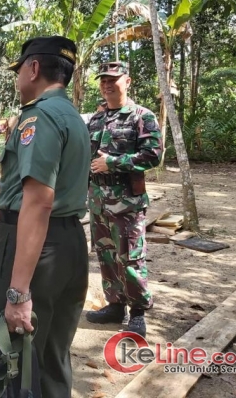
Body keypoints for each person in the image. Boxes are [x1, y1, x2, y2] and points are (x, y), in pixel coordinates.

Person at [0, 36, 90, 398]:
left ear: (33, 68)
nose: (17, 78)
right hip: (67, 246)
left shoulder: (40, 117)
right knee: (51, 356)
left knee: (10, 363)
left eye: (19, 70)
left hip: (33, 247)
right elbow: (23, 193)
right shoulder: (72, 116)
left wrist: (18, 294)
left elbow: (37, 203)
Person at [85, 61, 162, 338]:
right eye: (103, 80)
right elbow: (88, 158)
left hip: (127, 201)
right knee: (106, 255)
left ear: (127, 81)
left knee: (131, 257)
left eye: (113, 79)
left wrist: (114, 163)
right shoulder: (96, 119)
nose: (107, 84)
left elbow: (154, 155)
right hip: (98, 201)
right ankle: (115, 305)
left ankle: (138, 312)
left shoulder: (142, 116)